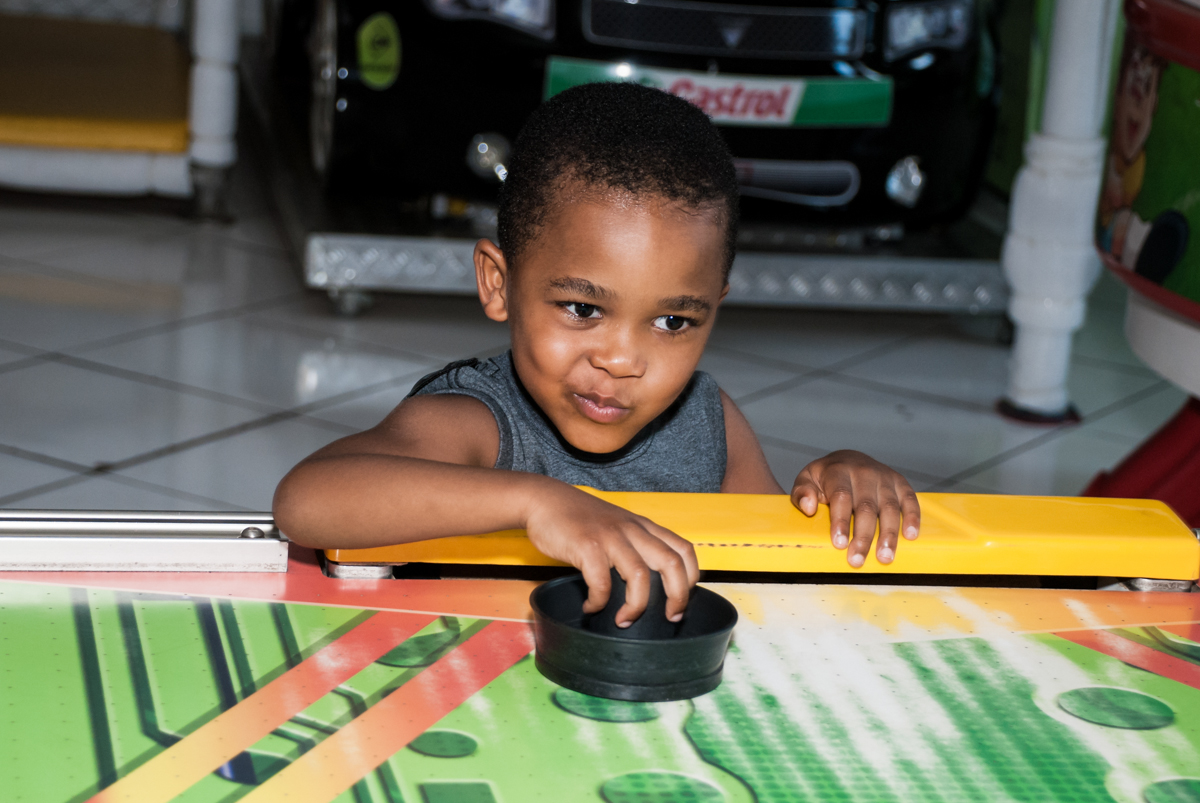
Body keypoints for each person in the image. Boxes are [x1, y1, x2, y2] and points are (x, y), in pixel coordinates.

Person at [274, 82, 920, 628]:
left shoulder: (710, 423)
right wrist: (538, 502)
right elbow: (307, 498)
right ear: (499, 284)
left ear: (715, 308)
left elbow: (768, 571)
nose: (621, 359)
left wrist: (839, 479)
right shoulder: (474, 423)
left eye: (673, 320)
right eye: (583, 309)